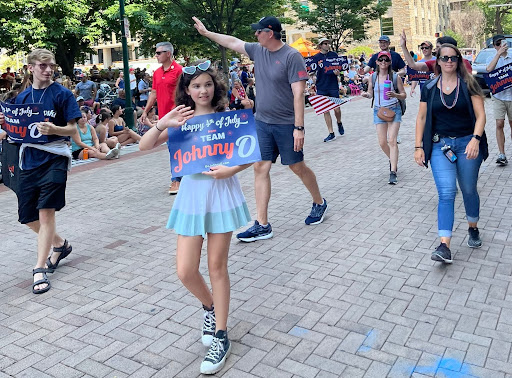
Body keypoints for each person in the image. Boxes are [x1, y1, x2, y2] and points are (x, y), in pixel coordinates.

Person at [139, 61, 251, 375]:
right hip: (190, 196)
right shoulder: (180, 119)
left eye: (207, 84)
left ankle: (221, 335)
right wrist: (163, 123)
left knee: (217, 267)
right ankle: (210, 306)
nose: (203, 90)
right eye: (196, 86)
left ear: (215, 87)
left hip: (220, 193)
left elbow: (249, 153)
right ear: (187, 91)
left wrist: (232, 169)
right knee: (185, 270)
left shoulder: (226, 118)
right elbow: (144, 145)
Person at [194, 15, 328, 243]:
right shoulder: (258, 50)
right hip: (262, 123)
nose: (255, 35)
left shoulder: (292, 56)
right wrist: (207, 33)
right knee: (260, 167)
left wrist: (299, 128)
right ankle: (262, 224)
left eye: (259, 31)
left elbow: (298, 95)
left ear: (270, 33)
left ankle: (319, 202)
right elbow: (232, 42)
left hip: (286, 124)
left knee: (297, 166)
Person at [0, 49, 82, 294]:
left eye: (51, 66)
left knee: (46, 213)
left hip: (55, 158)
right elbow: (14, 133)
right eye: (43, 66)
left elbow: (72, 131)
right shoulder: (21, 99)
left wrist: (54, 129)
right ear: (31, 68)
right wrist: (5, 126)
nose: (48, 70)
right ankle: (59, 244)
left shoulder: (62, 94)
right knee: (27, 216)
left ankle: (39, 269)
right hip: (28, 160)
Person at [414, 43, 488, 264]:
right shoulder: (428, 87)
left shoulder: (469, 84)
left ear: (458, 60)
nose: (448, 61)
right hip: (440, 146)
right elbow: (421, 118)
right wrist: (418, 146)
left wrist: (475, 139)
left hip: (467, 144)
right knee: (446, 193)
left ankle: (473, 227)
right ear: (437, 60)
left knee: (468, 189)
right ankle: (444, 245)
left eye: (453, 58)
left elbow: (481, 115)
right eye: (444, 58)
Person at [140, 42, 183, 195]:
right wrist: (146, 111)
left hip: (178, 115)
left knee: (174, 146)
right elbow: (153, 93)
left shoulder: (179, 71)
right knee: (173, 146)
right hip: (164, 117)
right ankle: (179, 177)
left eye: (159, 53)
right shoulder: (157, 72)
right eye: (156, 52)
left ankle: (176, 179)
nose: (156, 55)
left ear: (168, 54)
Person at [361, 51, 406, 185]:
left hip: (394, 109)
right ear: (376, 61)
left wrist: (395, 95)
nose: (383, 62)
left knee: (392, 140)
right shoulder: (373, 77)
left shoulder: (395, 77)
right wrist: (366, 95)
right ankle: (393, 159)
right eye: (381, 60)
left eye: (386, 60)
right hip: (379, 110)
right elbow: (370, 92)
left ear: (390, 62)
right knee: (382, 142)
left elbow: (404, 94)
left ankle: (393, 172)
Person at [311, 38, 345, 142]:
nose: (327, 45)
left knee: (337, 108)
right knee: (325, 109)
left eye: (328, 43)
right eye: (325, 43)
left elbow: (339, 68)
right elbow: (312, 71)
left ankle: (339, 122)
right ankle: (331, 132)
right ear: (320, 45)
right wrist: (313, 78)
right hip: (321, 85)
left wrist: (338, 73)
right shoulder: (316, 57)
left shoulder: (333, 55)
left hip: (332, 84)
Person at [486, 34, 512, 166]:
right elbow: (489, 70)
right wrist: (498, 54)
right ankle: (502, 154)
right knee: (499, 123)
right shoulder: (492, 58)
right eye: (497, 44)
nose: (500, 46)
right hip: (498, 97)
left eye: (502, 43)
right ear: (494, 46)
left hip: (511, 96)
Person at [400, 30, 472, 75]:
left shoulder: (464, 63)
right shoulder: (436, 63)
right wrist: (403, 46)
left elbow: (469, 85)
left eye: (438, 47)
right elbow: (413, 65)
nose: (435, 50)